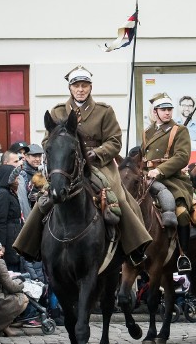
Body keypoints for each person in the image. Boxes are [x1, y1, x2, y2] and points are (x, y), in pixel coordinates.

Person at [13, 65, 151, 266]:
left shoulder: (104, 111)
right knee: (46, 196)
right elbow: (47, 141)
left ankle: (134, 246)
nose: (80, 89)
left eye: (84, 85)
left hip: (97, 164)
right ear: (70, 88)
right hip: (68, 165)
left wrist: (97, 153)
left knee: (118, 196)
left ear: (90, 87)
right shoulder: (58, 111)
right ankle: (28, 245)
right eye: (76, 85)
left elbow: (114, 141)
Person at [142, 92, 194, 272]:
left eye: (169, 109)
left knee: (181, 212)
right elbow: (144, 157)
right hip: (148, 178)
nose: (167, 113)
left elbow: (182, 157)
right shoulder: (147, 132)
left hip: (174, 180)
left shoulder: (179, 130)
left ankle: (183, 254)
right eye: (163, 110)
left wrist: (160, 170)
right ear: (155, 112)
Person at [0, 164, 23, 272]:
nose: (17, 180)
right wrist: (2, 244)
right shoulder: (3, 194)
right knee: (11, 266)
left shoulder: (10, 192)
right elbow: (1, 221)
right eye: (15, 177)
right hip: (9, 236)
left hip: (14, 232)